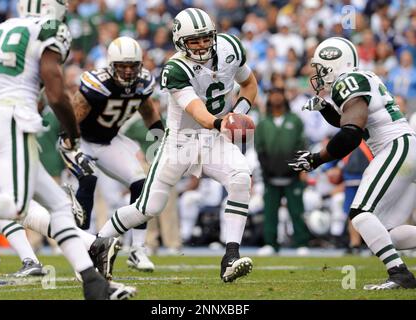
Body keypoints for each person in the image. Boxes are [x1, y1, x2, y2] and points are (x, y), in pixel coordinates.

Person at [0, 0, 134, 299]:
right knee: (16, 205)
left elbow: (26, 86)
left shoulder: (0, 29)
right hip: (10, 119)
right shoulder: (48, 28)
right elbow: (55, 91)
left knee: (59, 205)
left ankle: (93, 283)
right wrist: (73, 133)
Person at [96, 8, 258, 282]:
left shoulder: (231, 47)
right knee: (147, 208)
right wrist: (223, 123)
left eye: (206, 38)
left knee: (241, 178)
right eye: (194, 41)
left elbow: (250, 84)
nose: (202, 45)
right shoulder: (175, 68)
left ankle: (231, 256)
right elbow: (198, 112)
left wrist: (238, 113)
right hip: (180, 141)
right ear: (180, 42)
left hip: (213, 138)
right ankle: (97, 242)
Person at [289, 37, 416, 290]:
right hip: (404, 149)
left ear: (334, 63)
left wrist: (316, 159)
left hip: (395, 148)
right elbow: (347, 120)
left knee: (360, 213)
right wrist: (325, 108)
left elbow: (350, 133)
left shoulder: (347, 81)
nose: (318, 74)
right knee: (384, 232)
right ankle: (400, 273)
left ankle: (400, 274)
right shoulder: (359, 78)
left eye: (321, 68)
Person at [59, 36, 162, 272]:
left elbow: (148, 111)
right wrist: (69, 147)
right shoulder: (98, 83)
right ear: (111, 65)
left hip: (109, 141)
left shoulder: (143, 82)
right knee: (88, 181)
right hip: (80, 140)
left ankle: (137, 250)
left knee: (141, 185)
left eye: (132, 66)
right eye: (122, 66)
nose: (127, 71)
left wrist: (161, 137)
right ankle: (84, 252)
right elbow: (73, 116)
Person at [255, 88, 310, 255]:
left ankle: (301, 243)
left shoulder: (295, 120)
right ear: (269, 98)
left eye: (279, 94)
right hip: (270, 175)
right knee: (270, 211)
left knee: (297, 210)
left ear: (285, 98)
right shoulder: (263, 123)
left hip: (292, 174)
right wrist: (266, 169)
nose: (276, 97)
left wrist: (301, 169)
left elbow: (302, 146)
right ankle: (271, 243)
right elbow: (260, 148)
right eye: (273, 94)